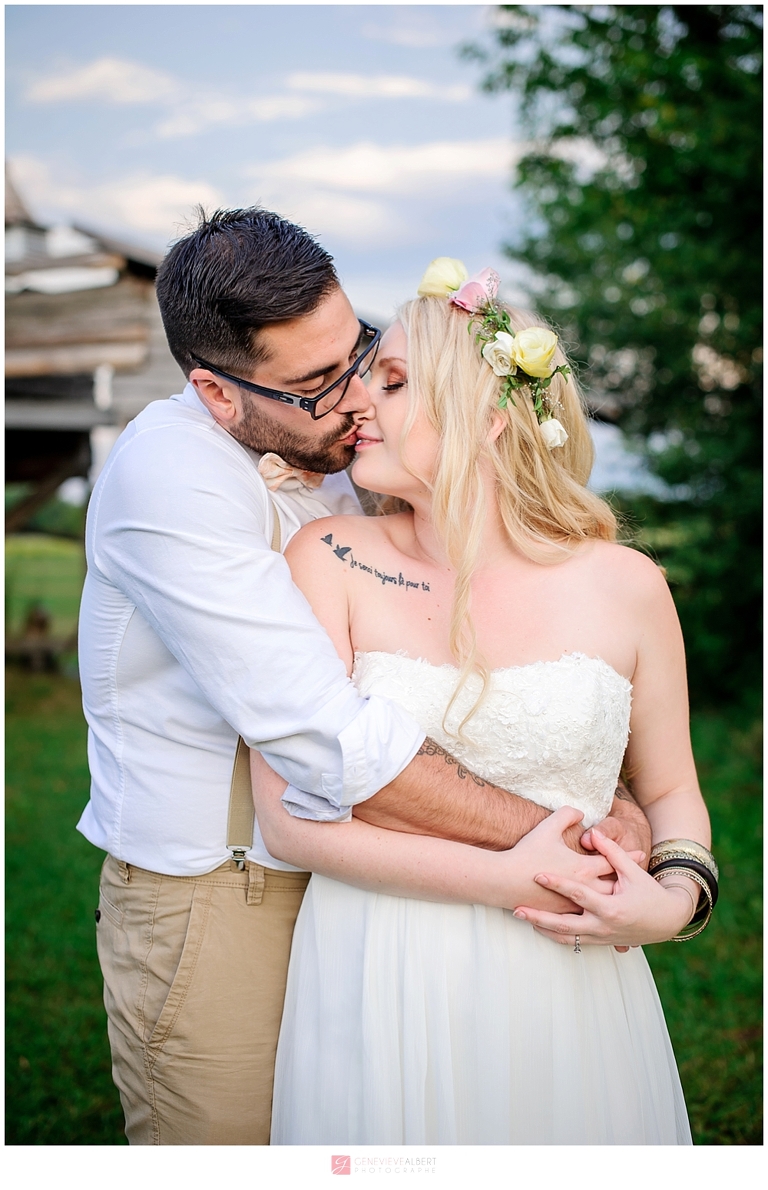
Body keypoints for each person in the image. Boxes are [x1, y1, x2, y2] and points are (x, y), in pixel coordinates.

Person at [77, 214, 649, 1145]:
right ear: (218, 395)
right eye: (315, 385)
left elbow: (474, 652)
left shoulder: (353, 452)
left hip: (376, 885)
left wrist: (604, 782)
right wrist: (567, 834)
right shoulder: (165, 485)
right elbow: (325, 734)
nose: (354, 399)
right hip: (223, 896)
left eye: (360, 354)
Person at [251, 261, 716, 1145]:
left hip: (569, 972)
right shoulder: (329, 557)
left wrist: (679, 897)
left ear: (492, 416)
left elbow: (670, 792)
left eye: (392, 383)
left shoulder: (626, 585)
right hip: (379, 963)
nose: (360, 406)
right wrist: (509, 878)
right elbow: (292, 824)